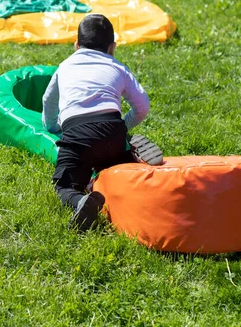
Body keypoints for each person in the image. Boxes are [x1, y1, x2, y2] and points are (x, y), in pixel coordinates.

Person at [42, 14, 162, 231]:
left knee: (64, 185)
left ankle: (80, 201)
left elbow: (48, 101)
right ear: (112, 47)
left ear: (76, 45)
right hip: (112, 130)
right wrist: (124, 126)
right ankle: (132, 159)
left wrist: (51, 127)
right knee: (116, 167)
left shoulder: (65, 66)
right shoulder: (117, 67)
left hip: (77, 134)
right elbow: (142, 106)